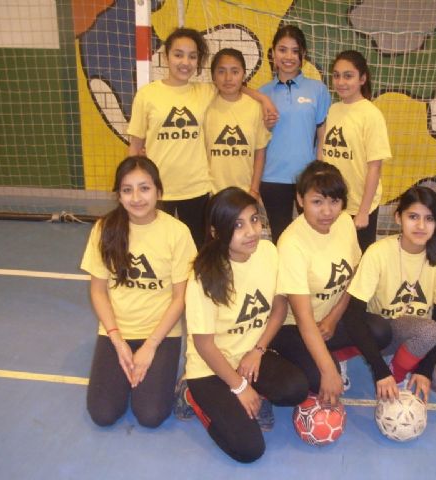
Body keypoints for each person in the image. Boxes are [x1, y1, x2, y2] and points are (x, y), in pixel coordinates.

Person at [177, 187, 308, 463]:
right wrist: (239, 387)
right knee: (250, 449)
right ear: (216, 231)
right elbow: (203, 344)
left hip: (250, 356)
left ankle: (249, 391)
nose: (251, 231)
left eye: (254, 219)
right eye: (238, 225)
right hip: (209, 368)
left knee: (296, 388)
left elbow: (279, 307)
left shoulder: (268, 252)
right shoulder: (204, 276)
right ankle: (191, 395)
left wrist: (258, 350)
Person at [128, 28, 277, 249]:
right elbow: (135, 146)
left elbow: (235, 88)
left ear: (198, 61)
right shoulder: (147, 95)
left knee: (197, 248)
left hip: (196, 189)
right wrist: (135, 188)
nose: (185, 62)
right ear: (165, 56)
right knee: (156, 245)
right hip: (157, 188)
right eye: (178, 54)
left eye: (192, 56)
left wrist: (263, 99)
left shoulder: (204, 91)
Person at [81, 156, 196, 427]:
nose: (136, 198)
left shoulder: (177, 232)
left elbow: (180, 298)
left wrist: (150, 346)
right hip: (116, 331)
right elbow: (98, 291)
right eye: (127, 189)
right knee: (103, 414)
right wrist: (116, 339)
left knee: (151, 415)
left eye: (144, 188)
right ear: (118, 195)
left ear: (158, 190)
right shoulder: (104, 229)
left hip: (161, 333)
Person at [270, 160, 391, 407]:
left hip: (330, 322)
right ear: (300, 199)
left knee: (381, 331)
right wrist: (327, 370)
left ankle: (332, 356)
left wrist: (334, 318)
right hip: (294, 328)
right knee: (313, 381)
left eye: (334, 202)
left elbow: (355, 272)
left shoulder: (344, 222)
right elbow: (303, 318)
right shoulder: (291, 244)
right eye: (317, 202)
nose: (327, 212)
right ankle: (292, 358)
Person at [344, 185, 436, 403]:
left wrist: (426, 370)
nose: (420, 226)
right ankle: (393, 375)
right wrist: (381, 371)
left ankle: (405, 362)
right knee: (427, 330)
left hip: (420, 335)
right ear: (398, 218)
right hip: (381, 334)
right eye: (413, 216)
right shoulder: (378, 253)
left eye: (429, 219)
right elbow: (353, 315)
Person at [259, 25, 332, 243]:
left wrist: (319, 171)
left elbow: (322, 134)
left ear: (303, 55)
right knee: (280, 238)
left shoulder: (317, 89)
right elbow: (258, 140)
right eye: (282, 50)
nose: (288, 56)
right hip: (272, 178)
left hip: (308, 178)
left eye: (294, 50)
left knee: (312, 237)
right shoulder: (262, 93)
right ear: (272, 53)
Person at [323, 50, 392, 252]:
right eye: (336, 75)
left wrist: (363, 212)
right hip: (334, 203)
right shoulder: (334, 110)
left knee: (360, 262)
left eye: (348, 76)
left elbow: (375, 168)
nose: (341, 82)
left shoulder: (371, 115)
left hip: (359, 205)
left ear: (362, 78)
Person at [205, 48, 271, 198]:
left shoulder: (255, 107)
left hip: (245, 192)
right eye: (221, 72)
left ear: (243, 74)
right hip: (211, 192)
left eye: (235, 72)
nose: (228, 78)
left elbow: (260, 152)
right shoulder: (205, 105)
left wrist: (254, 189)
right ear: (213, 76)